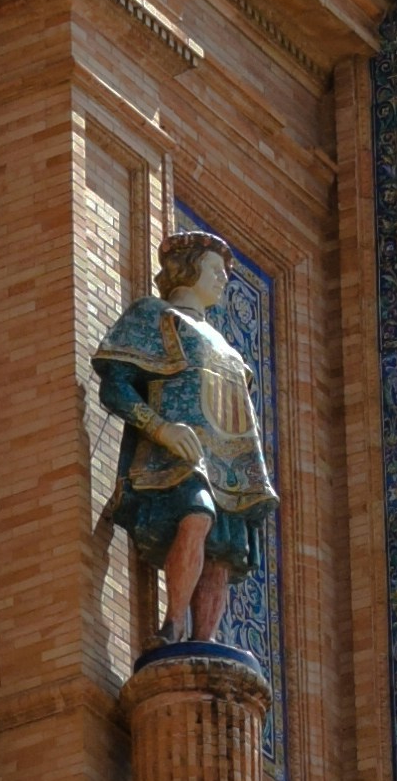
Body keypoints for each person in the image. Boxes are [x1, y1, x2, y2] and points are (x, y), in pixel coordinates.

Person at [90, 230, 276, 654]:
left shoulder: (225, 345)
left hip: (229, 462)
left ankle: (204, 641)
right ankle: (173, 625)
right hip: (176, 456)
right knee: (197, 514)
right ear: (188, 269)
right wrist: (160, 429)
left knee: (224, 550)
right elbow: (115, 385)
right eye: (214, 269)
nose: (223, 279)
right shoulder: (156, 316)